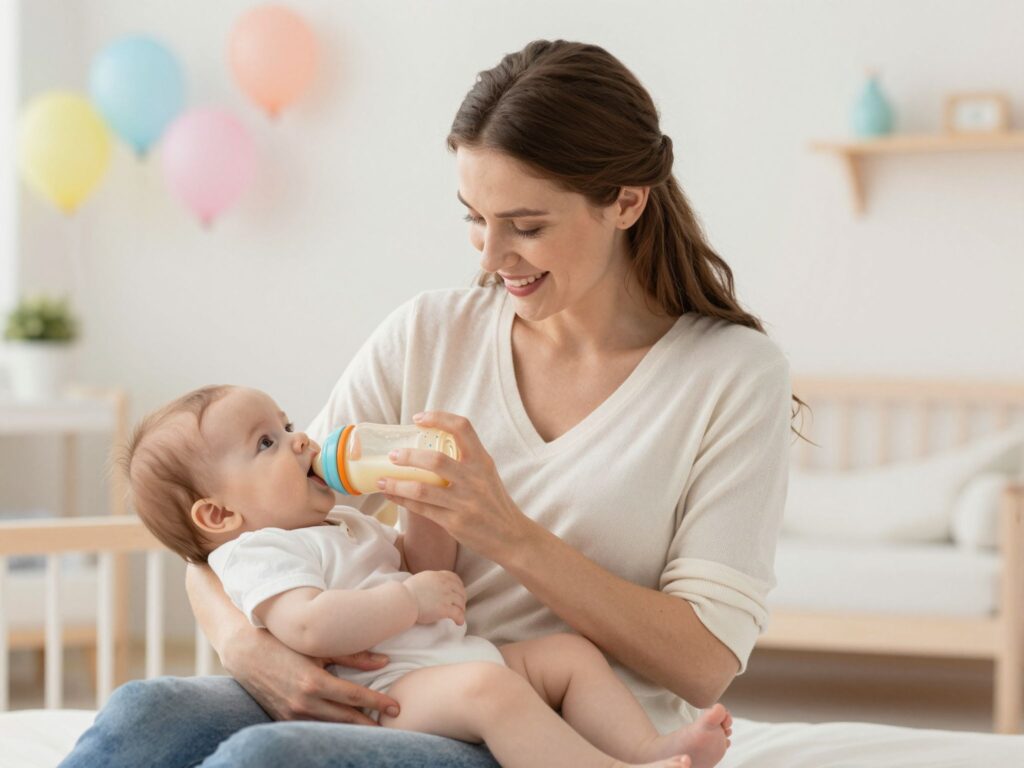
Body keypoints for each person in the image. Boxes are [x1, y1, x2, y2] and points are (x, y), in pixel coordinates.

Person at [60, 39, 802, 768]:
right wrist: (251, 651)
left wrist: (505, 531)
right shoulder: (430, 333)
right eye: (474, 217)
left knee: (270, 757)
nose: (488, 255)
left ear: (627, 202)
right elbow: (235, 532)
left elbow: (705, 664)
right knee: (145, 711)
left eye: (527, 225)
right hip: (391, 687)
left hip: (542, 728)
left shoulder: (731, 377)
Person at [108, 382, 732, 768]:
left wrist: (425, 507)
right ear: (219, 513)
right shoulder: (260, 552)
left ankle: (647, 748)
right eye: (267, 443)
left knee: (567, 655)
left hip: (450, 658)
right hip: (394, 696)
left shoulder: (342, 524)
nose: (301, 443)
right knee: (493, 695)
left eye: (288, 426)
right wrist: (408, 599)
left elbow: (428, 572)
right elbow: (308, 625)